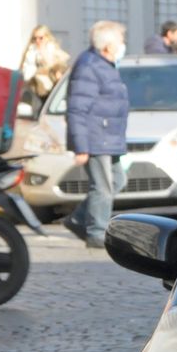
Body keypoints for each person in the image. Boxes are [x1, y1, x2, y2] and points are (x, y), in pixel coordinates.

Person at [62, 21, 131, 249]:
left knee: (118, 181)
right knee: (102, 187)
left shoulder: (104, 64)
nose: (124, 45)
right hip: (96, 137)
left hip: (108, 137)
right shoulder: (90, 66)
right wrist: (81, 146)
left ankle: (78, 219)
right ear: (108, 46)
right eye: (121, 41)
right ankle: (96, 233)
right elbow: (77, 108)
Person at [17, 25, 71, 112]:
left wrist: (43, 54)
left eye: (41, 38)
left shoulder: (54, 52)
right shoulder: (30, 52)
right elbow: (25, 72)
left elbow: (58, 69)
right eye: (35, 38)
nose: (38, 41)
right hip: (34, 90)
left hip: (51, 91)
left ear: (47, 37)